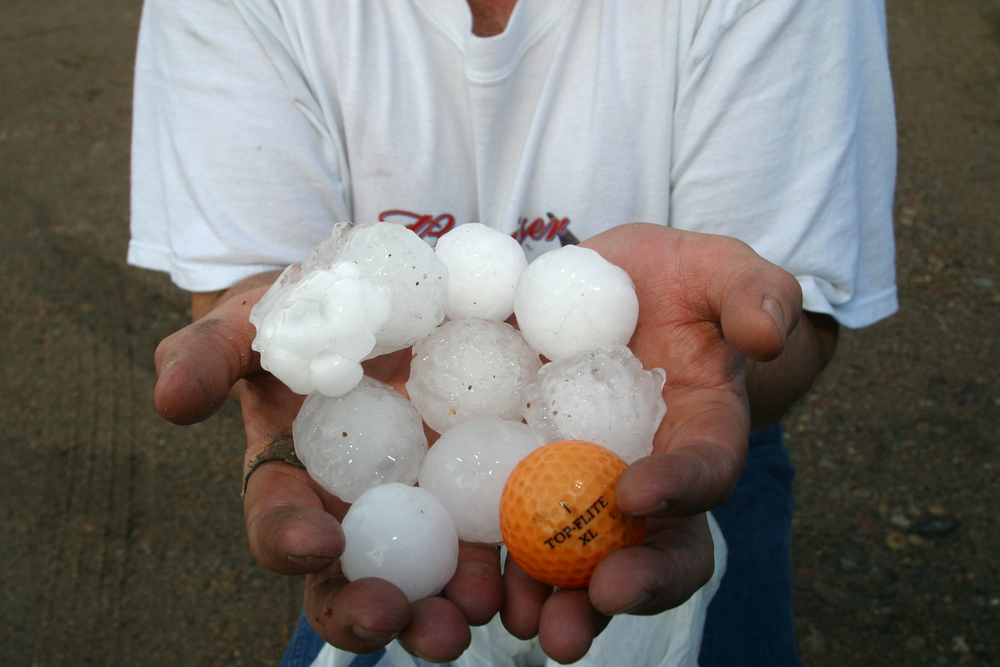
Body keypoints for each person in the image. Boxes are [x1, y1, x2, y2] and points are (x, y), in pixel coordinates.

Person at [128, 0, 898, 665]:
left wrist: (715, 354)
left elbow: (800, 327)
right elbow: (245, 295)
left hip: (691, 421)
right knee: (366, 604)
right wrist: (276, 326)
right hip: (376, 470)